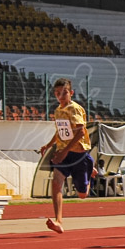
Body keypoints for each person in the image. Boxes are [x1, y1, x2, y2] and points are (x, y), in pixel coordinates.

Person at [37, 78, 95, 234]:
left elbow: (80, 132)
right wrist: (49, 145)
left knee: (82, 194)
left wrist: (64, 151)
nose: (60, 96)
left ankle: (90, 171)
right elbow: (61, 131)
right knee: (56, 183)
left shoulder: (74, 109)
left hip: (78, 154)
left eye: (64, 93)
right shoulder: (57, 111)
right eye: (57, 93)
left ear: (71, 93)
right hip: (64, 153)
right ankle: (58, 221)